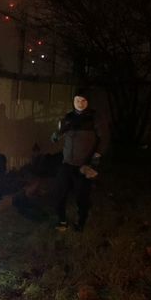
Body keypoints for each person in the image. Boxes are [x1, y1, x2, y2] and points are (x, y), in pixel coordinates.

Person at [51, 89, 102, 232]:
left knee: (82, 198)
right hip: (67, 164)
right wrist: (56, 135)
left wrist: (96, 157)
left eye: (83, 100)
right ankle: (62, 221)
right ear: (73, 101)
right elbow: (61, 131)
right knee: (58, 194)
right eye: (77, 100)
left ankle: (81, 223)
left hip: (83, 165)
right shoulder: (68, 117)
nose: (80, 103)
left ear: (88, 102)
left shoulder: (94, 118)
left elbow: (103, 139)